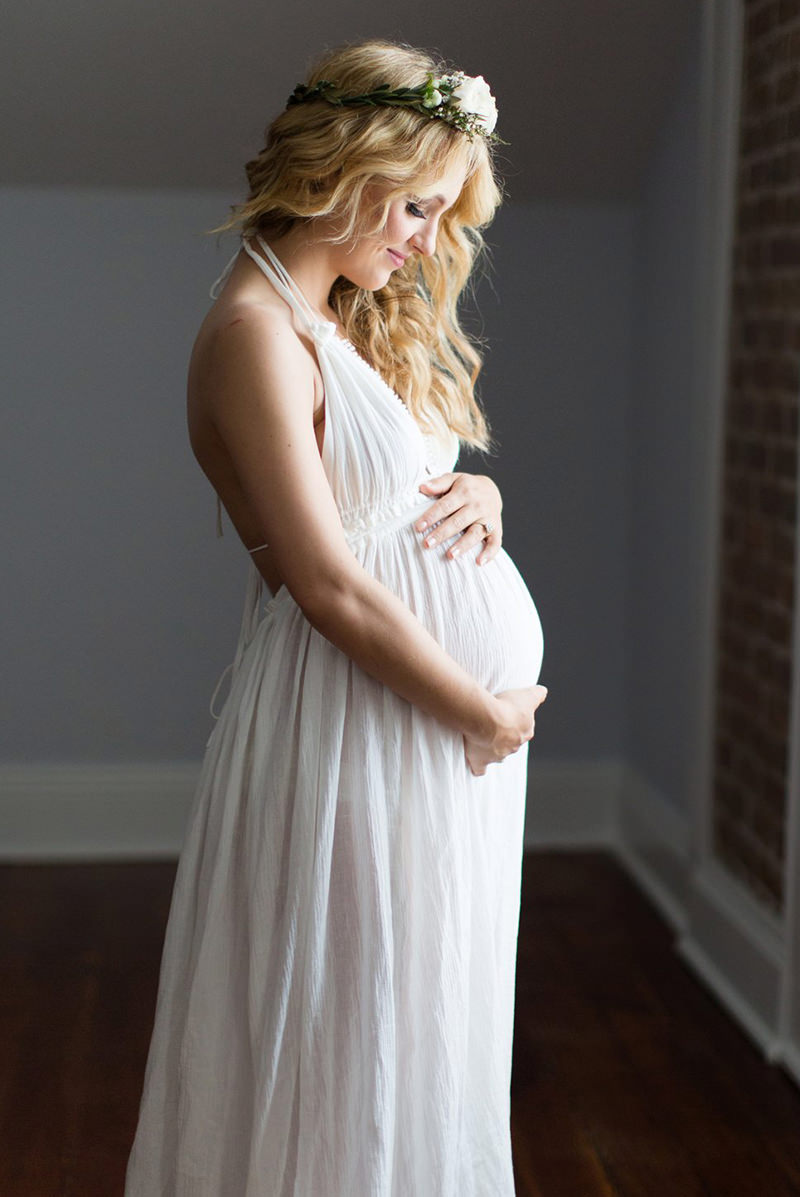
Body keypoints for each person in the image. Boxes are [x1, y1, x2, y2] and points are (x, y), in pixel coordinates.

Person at [124, 37, 547, 1197]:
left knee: (419, 1022)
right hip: (364, 722)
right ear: (342, 170)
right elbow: (323, 581)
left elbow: (389, 507)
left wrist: (484, 493)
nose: (422, 240)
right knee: (352, 1032)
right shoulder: (254, 335)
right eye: (412, 206)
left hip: (413, 721)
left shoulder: (327, 314)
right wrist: (476, 712)